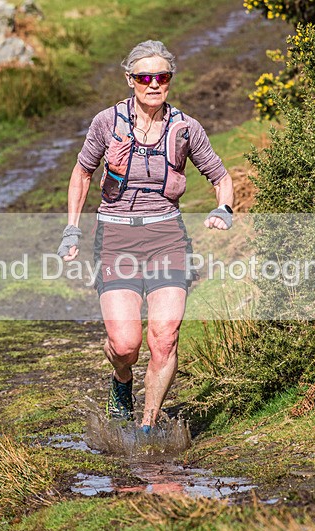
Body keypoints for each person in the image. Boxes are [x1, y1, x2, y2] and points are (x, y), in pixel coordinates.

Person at [57, 40, 234, 433]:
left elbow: (220, 177)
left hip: (167, 237)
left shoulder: (186, 128)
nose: (154, 84)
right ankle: (122, 381)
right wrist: (72, 229)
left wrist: (224, 209)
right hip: (116, 238)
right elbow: (82, 173)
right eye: (145, 77)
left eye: (162, 77)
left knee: (165, 338)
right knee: (125, 346)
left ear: (170, 80)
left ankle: (147, 426)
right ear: (130, 80)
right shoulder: (107, 122)